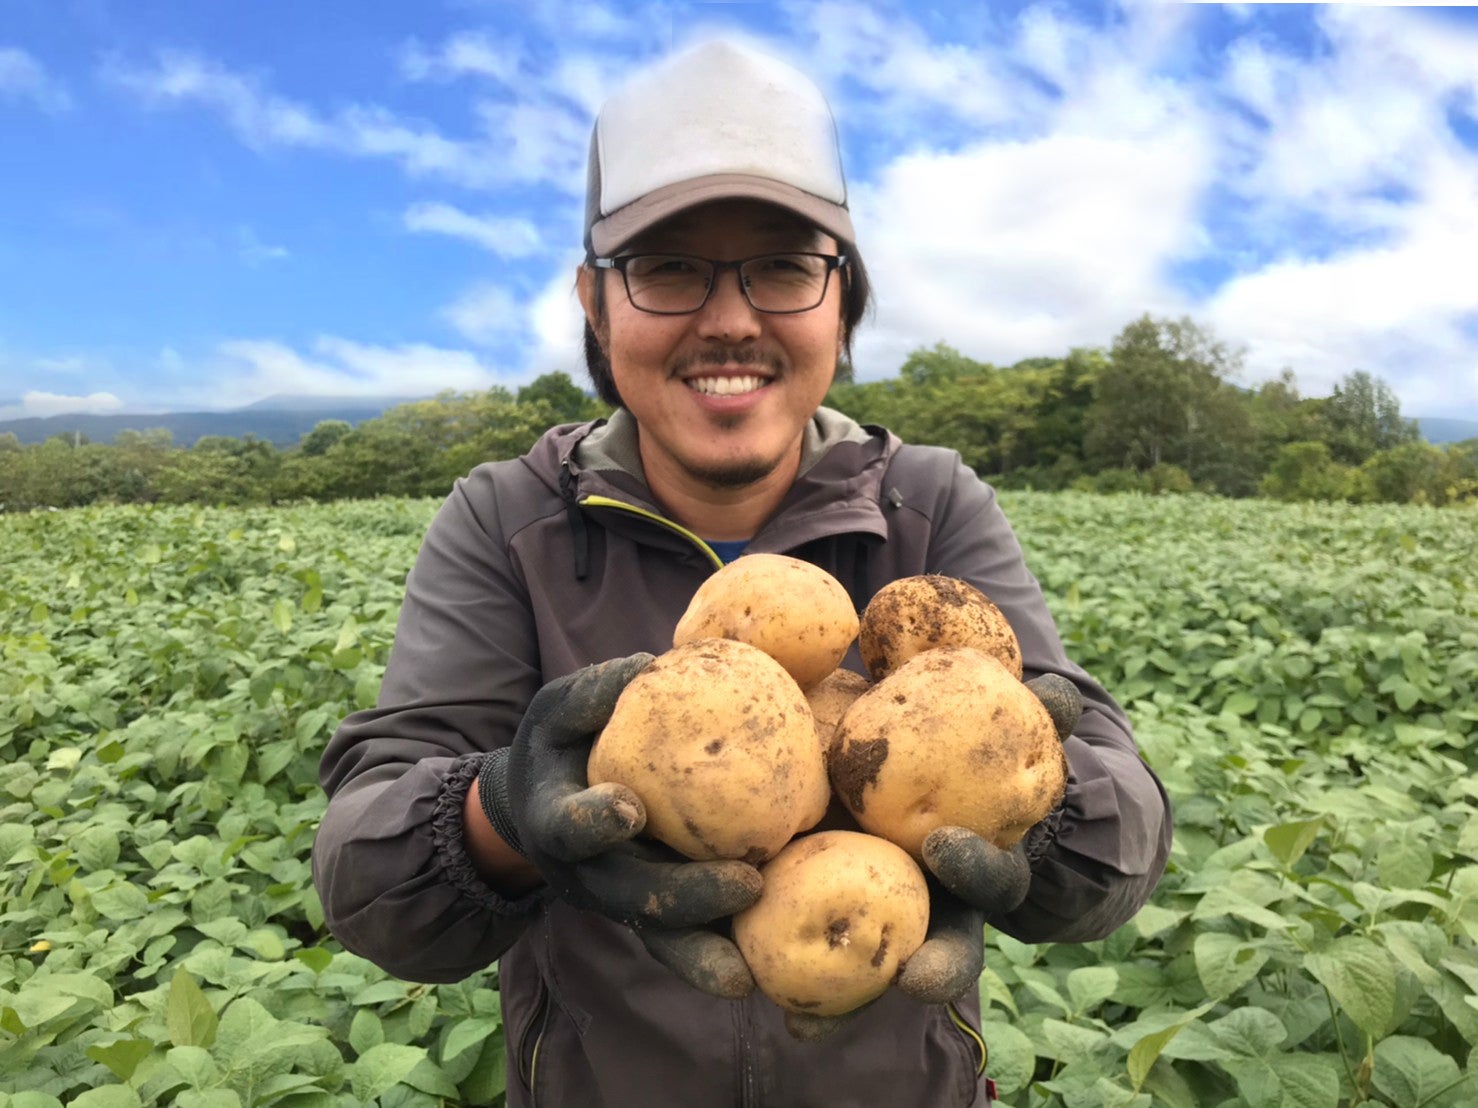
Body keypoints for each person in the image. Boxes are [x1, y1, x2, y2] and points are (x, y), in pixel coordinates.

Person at [313, 39, 1172, 1107]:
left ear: (842, 300)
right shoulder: (506, 518)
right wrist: (506, 816)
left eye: (784, 266)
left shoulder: (931, 504)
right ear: (594, 302)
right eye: (668, 267)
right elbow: (367, 885)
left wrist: (1029, 817)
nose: (729, 321)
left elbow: (1122, 834)